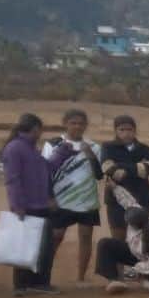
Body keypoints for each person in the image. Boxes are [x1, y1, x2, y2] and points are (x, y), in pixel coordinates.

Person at [42, 109, 104, 285]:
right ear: (65, 123)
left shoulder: (94, 147)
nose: (77, 126)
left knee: (85, 238)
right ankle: (44, 278)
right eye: (73, 122)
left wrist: (90, 155)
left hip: (87, 200)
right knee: (55, 237)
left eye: (81, 123)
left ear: (86, 125)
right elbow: (44, 173)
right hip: (61, 199)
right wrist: (49, 197)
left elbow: (100, 175)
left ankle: (81, 278)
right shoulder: (53, 144)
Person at [1, 113, 60, 296]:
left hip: (39, 204)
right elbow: (13, 179)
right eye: (39, 129)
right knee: (29, 245)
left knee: (39, 245)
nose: (40, 133)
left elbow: (46, 168)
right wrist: (17, 204)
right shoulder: (15, 148)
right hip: (28, 206)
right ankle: (28, 284)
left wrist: (63, 152)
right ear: (35, 128)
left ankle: (31, 283)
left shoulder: (30, 148)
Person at [96, 185, 149, 294]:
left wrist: (134, 272)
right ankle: (113, 280)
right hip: (138, 256)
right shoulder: (138, 213)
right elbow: (128, 201)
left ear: (134, 225)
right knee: (105, 244)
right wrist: (115, 188)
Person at [100, 114, 149, 237]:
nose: (126, 133)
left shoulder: (144, 148)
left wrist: (120, 167)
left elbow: (146, 170)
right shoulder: (107, 147)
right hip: (115, 200)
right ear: (115, 131)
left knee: (142, 236)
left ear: (135, 130)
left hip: (141, 198)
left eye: (129, 129)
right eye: (122, 129)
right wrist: (136, 167)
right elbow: (108, 168)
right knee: (118, 237)